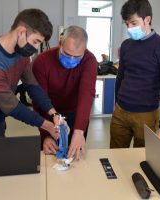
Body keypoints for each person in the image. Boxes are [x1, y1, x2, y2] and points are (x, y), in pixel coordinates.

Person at [0, 9, 61, 139]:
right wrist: (49, 126)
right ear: (21, 32)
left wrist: (54, 114)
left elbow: (33, 86)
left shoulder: (22, 54)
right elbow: (12, 106)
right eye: (35, 41)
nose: (36, 48)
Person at [110, 0, 160, 148]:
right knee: (115, 154)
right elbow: (120, 77)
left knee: (142, 159)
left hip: (146, 115)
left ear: (147, 19)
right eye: (127, 24)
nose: (129, 28)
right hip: (120, 112)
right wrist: (116, 104)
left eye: (133, 23)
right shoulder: (126, 45)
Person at [32, 26, 97, 159]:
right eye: (67, 54)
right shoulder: (42, 61)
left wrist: (79, 132)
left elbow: (86, 94)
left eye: (77, 56)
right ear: (60, 44)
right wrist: (45, 136)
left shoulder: (90, 60)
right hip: (49, 114)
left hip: (76, 115)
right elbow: (39, 100)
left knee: (74, 156)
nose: (72, 59)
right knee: (50, 156)